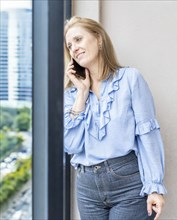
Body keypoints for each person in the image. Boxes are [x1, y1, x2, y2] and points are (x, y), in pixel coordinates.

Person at [63, 16, 167, 220]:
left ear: (99, 39)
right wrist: (82, 94)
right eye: (69, 45)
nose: (74, 48)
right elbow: (71, 145)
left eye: (78, 40)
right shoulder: (72, 95)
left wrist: (155, 186)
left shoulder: (130, 79)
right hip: (87, 188)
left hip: (128, 182)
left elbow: (148, 134)